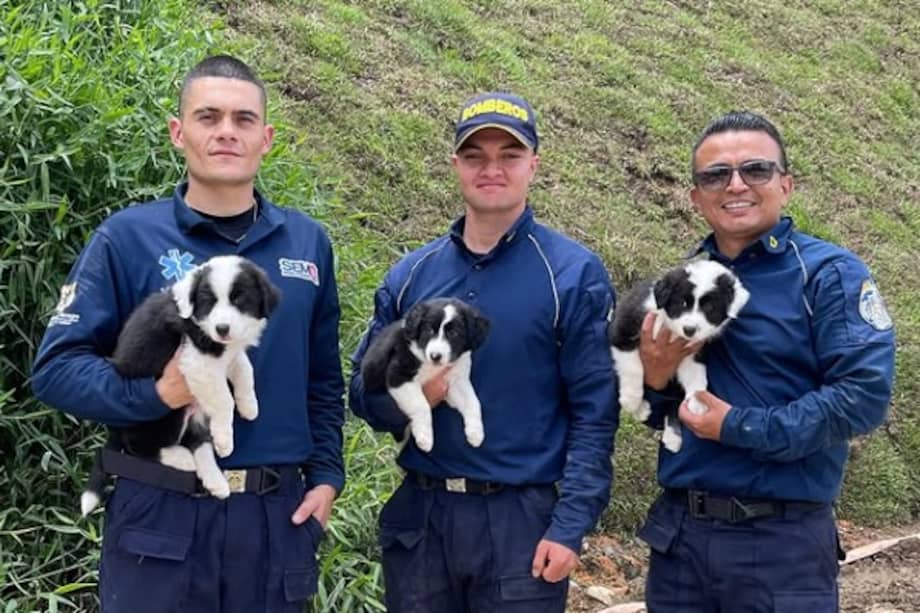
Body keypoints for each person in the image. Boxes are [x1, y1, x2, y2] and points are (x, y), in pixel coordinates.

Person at [31, 55, 344, 613]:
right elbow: (57, 371)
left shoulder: (307, 245)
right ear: (179, 132)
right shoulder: (127, 238)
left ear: (266, 138)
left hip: (274, 521)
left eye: (244, 119)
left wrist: (326, 476)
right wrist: (155, 394)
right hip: (159, 512)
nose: (226, 131)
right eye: (208, 116)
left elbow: (322, 378)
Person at [349, 92, 618, 612]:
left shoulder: (571, 274)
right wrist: (416, 398)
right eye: (475, 156)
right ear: (456, 164)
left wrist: (570, 526)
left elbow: (595, 410)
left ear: (533, 164)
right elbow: (362, 393)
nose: (491, 169)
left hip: (520, 522)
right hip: (421, 518)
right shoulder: (411, 275)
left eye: (509, 156)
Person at [636, 111, 896, 612]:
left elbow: (862, 398)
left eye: (755, 170)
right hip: (679, 542)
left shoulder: (829, 275)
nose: (735, 185)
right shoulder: (681, 284)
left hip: (782, 545)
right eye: (716, 175)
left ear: (785, 185)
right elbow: (657, 414)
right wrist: (656, 376)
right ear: (695, 197)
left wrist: (738, 426)